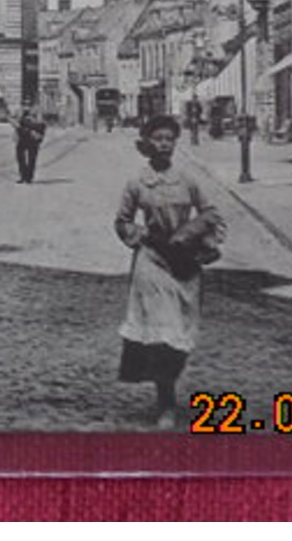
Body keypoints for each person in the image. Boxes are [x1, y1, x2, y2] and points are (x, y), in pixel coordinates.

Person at [113, 113, 226, 429]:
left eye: (168, 139)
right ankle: (166, 403)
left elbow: (210, 213)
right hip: (152, 264)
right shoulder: (137, 182)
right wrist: (139, 236)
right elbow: (122, 221)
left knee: (179, 335)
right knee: (162, 335)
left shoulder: (188, 179)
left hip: (185, 265)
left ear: (175, 142)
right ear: (147, 143)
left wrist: (188, 234)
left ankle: (168, 386)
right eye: (157, 139)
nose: (163, 144)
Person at [7, 100, 47, 183]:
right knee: (20, 156)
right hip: (21, 136)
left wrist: (36, 131)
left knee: (32, 158)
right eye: (24, 104)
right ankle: (23, 176)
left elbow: (42, 124)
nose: (26, 106)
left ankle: (29, 177)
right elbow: (11, 119)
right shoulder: (19, 111)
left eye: (28, 104)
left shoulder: (37, 112)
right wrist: (15, 123)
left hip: (32, 137)